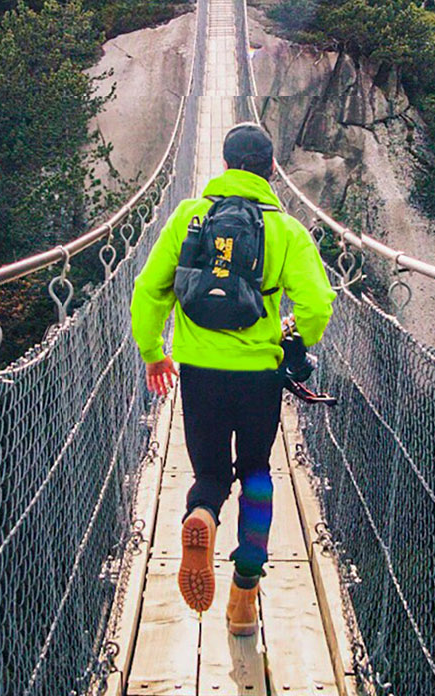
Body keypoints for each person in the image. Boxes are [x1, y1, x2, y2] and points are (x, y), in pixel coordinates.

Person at [131, 123, 335, 634]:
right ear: (271, 171)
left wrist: (155, 353)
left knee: (212, 474)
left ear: (223, 167)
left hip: (199, 371)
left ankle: (200, 515)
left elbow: (149, 289)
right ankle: (245, 591)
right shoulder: (284, 229)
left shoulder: (188, 216)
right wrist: (294, 337)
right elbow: (317, 304)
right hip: (258, 377)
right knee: (257, 473)